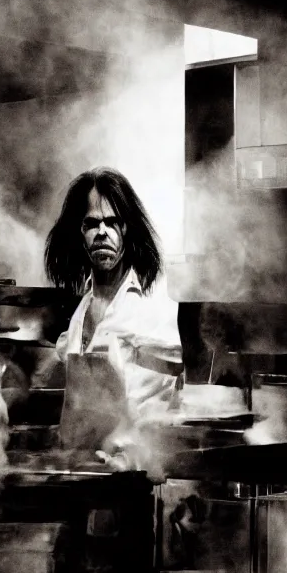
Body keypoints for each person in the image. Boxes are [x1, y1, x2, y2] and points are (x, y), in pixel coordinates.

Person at [44, 167, 183, 470]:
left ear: (127, 229)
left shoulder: (151, 306)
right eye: (91, 224)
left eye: (112, 222)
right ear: (80, 234)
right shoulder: (81, 312)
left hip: (133, 476)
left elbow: (165, 400)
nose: (102, 232)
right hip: (79, 473)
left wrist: (130, 454)